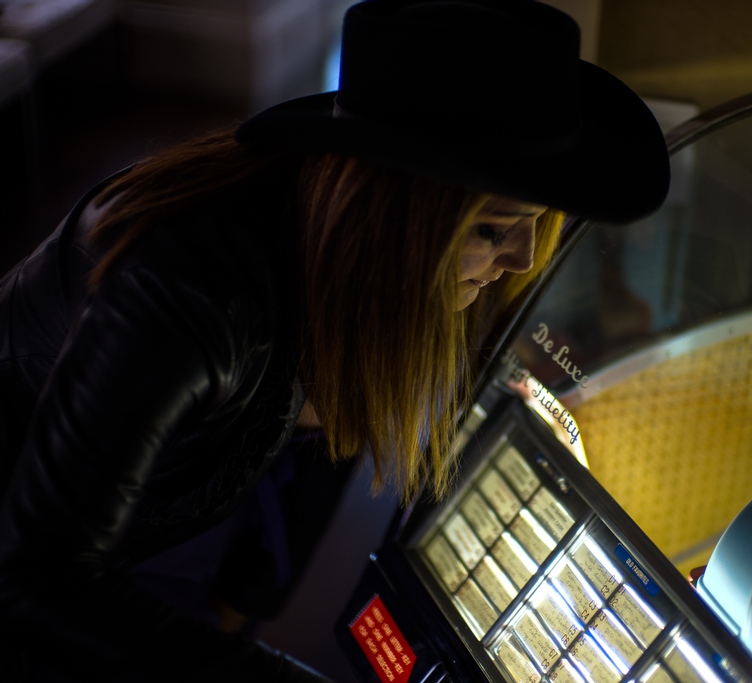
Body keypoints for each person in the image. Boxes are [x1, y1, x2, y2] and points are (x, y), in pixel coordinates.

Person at [0, 0, 669, 680]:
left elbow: (337, 421)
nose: (523, 258)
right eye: (492, 230)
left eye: (537, 220)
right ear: (391, 213)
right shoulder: (191, 293)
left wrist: (243, 601)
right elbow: (36, 580)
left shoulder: (341, 265)